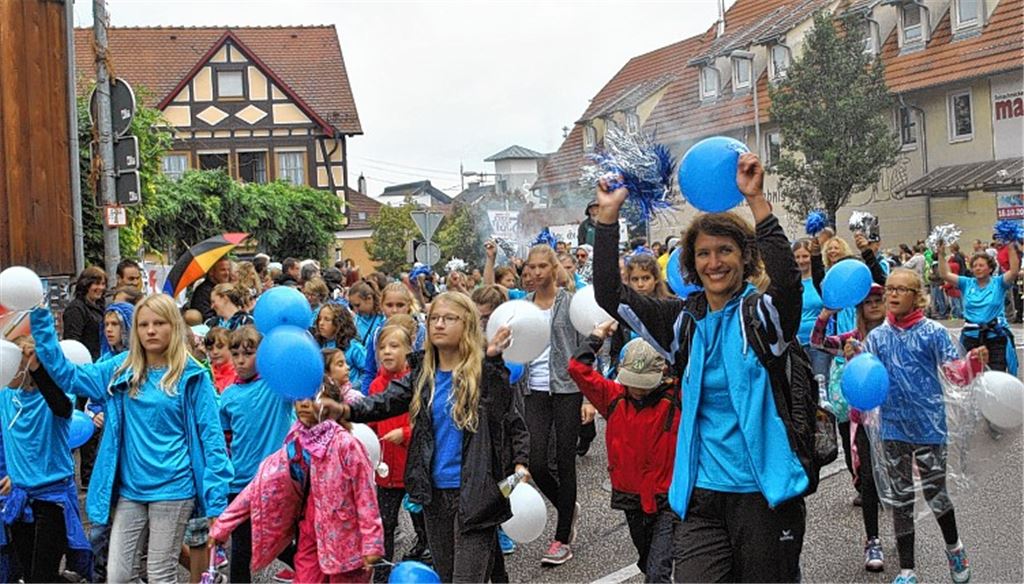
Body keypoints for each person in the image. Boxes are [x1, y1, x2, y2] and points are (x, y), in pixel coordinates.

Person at [593, 153, 810, 581]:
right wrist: (607, 217)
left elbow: (787, 283)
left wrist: (756, 201)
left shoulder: (762, 317)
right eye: (704, 253)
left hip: (764, 496)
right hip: (700, 496)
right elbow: (609, 295)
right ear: (692, 264)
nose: (715, 262)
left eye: (725, 251)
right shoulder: (682, 321)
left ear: (744, 257)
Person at [28, 294, 232, 583]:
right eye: (143, 324)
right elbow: (68, 375)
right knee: (119, 576)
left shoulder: (193, 376)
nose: (151, 331)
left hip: (174, 488)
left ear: (174, 326)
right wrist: (41, 323)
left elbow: (212, 440)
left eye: (159, 323)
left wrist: (216, 502)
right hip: (130, 490)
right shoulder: (120, 367)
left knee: (160, 574)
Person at [329, 292, 529, 583]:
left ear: (467, 324)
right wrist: (345, 410)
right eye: (434, 318)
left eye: (449, 318)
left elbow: (503, 410)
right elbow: (385, 401)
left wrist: (494, 360)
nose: (439, 324)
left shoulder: (482, 371)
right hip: (434, 494)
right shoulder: (423, 373)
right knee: (446, 577)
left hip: (476, 494)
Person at [854, 268, 987, 584]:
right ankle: (907, 570)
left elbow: (955, 375)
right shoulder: (878, 337)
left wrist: (973, 363)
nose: (892, 294)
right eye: (890, 289)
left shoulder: (933, 333)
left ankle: (954, 548)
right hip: (892, 428)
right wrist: (854, 360)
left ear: (917, 297)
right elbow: (866, 380)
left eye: (901, 289)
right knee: (901, 499)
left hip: (929, 427)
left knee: (935, 492)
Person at [210, 382, 384, 583]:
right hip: (310, 536)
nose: (304, 404)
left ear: (332, 406)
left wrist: (372, 543)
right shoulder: (296, 445)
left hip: (346, 544)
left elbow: (365, 496)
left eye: (312, 399)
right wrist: (222, 525)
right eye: (300, 399)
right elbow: (259, 487)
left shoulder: (346, 445)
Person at [568, 325, 680, 582]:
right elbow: (577, 368)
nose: (638, 389)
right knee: (647, 560)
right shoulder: (614, 397)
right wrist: (597, 336)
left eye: (644, 383)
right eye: (632, 382)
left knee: (658, 571)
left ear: (662, 374)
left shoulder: (676, 398)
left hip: (668, 497)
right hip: (630, 495)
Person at [0, 337, 92, 582]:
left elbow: (62, 407)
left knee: (42, 576)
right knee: (30, 576)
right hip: (20, 497)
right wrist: (13, 474)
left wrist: (37, 367)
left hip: (53, 498)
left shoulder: (58, 394)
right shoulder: (5, 396)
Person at [811, 284, 887, 572]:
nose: (874, 305)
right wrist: (826, 314)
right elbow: (818, 342)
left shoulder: (894, 335)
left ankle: (905, 535)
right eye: (868, 301)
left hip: (894, 418)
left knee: (896, 478)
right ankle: (873, 540)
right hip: (864, 419)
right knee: (867, 478)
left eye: (879, 300)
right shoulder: (851, 338)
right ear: (860, 308)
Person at [522, 244, 586, 566]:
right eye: (531, 267)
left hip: (567, 389)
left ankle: (561, 539)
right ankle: (567, 507)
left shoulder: (571, 303)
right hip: (534, 389)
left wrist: (590, 396)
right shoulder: (522, 306)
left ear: (553, 268)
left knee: (564, 460)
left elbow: (588, 349)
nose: (535, 272)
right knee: (535, 462)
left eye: (541, 266)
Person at [218, 326, 296, 583]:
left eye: (248, 354)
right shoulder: (228, 395)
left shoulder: (276, 388)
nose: (240, 361)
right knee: (241, 548)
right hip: (239, 482)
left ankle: (317, 573)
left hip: (275, 480)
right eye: (235, 354)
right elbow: (225, 440)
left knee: (278, 541)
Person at [365, 316, 430, 583]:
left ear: (408, 351)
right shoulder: (376, 385)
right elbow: (370, 421)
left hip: (413, 469)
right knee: (385, 525)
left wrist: (404, 434)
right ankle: (381, 576)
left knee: (423, 523)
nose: (387, 352)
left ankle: (427, 563)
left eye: (394, 346)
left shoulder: (418, 383)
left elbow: (427, 425)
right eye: (382, 347)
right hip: (386, 472)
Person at [936, 240, 1020, 374]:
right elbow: (945, 274)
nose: (977, 268)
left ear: (990, 268)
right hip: (971, 337)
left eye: (981, 265)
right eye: (974, 266)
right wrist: (941, 254)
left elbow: (1014, 271)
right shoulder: (966, 283)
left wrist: (1010, 247)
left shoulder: (999, 283)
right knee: (971, 375)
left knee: (996, 374)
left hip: (995, 337)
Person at [359, 283, 426, 396]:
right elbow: (370, 371)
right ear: (382, 305)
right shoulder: (377, 333)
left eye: (400, 305)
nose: (394, 310)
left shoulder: (420, 332)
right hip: (382, 392)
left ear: (409, 305)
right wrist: (365, 398)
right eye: (389, 305)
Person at [793, 240, 832, 380]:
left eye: (805, 256)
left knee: (820, 382)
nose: (801, 261)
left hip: (818, 343)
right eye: (797, 257)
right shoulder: (792, 284)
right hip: (797, 343)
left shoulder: (821, 280)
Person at [315, 304, 368, 390]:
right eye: (319, 319)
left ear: (339, 323)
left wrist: (352, 388)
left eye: (327, 319)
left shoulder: (354, 347)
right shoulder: (319, 345)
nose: (321, 323)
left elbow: (368, 372)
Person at [63, 266, 107, 362]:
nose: (101, 288)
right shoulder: (76, 309)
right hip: (85, 362)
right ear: (86, 285)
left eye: (103, 284)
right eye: (96, 284)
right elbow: (72, 341)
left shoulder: (101, 307)